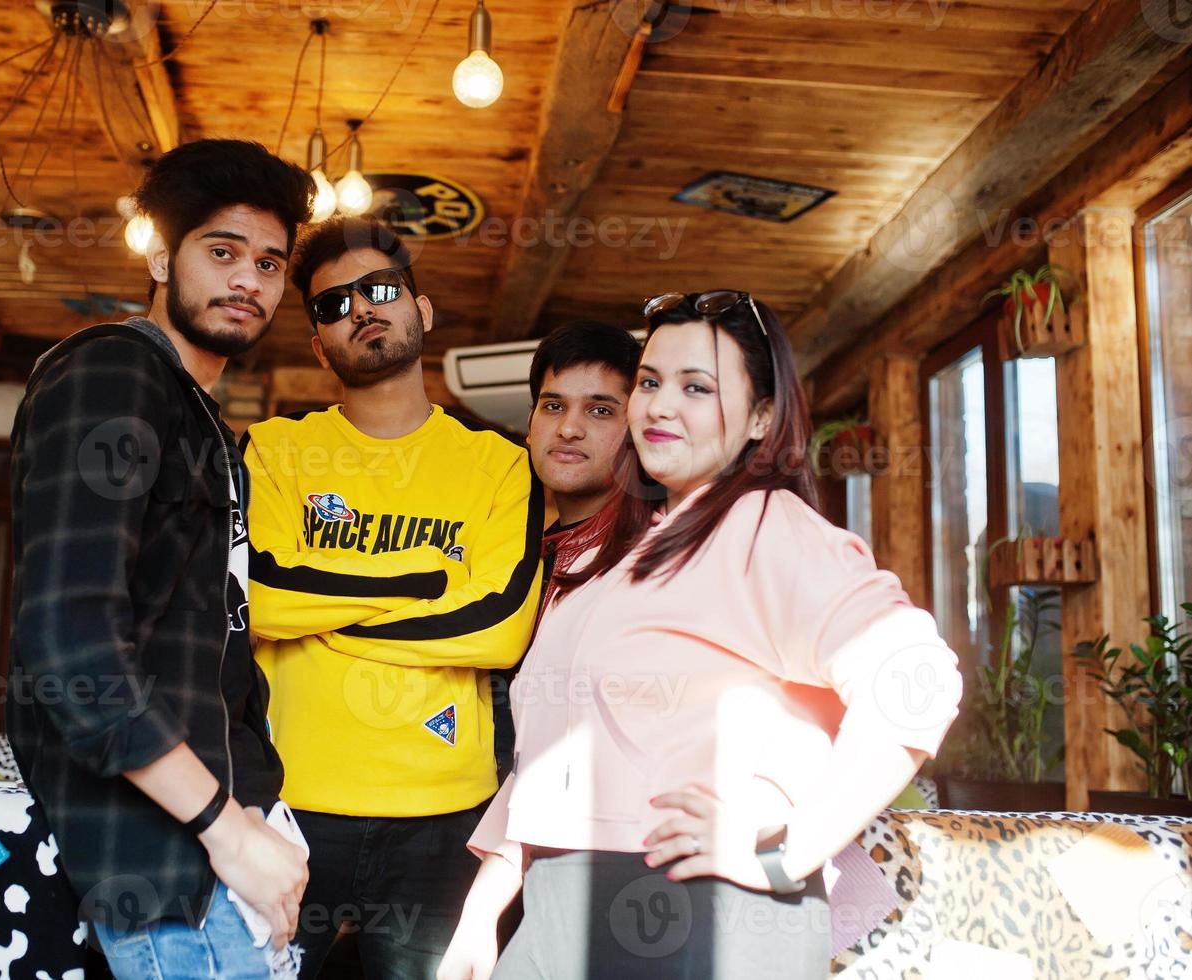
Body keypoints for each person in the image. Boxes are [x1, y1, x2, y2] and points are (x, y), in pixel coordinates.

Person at [438, 290, 963, 979]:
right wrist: (482, 918)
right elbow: (550, 754)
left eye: (696, 387)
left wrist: (786, 850)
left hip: (697, 911)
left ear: (762, 417)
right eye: (650, 383)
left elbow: (915, 682)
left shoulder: (761, 526)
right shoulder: (614, 557)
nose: (658, 405)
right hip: (557, 909)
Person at [8, 139, 313, 980]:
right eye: (221, 252)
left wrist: (256, 820)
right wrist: (225, 827)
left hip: (228, 849)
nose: (248, 280)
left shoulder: (203, 420)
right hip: (167, 856)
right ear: (157, 254)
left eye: (270, 263)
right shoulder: (111, 372)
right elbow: (72, 643)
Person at [241, 216, 543, 979]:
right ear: (317, 344)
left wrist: (328, 616)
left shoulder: (501, 465)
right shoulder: (275, 450)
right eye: (332, 304)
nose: (361, 309)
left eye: (380, 289)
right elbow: (265, 596)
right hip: (290, 804)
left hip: (444, 815)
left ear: (422, 308)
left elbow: (500, 625)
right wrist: (430, 573)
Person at [492, 320, 641, 778]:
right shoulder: (510, 552)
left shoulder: (652, 557)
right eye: (553, 405)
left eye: (600, 410)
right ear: (529, 427)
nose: (569, 429)